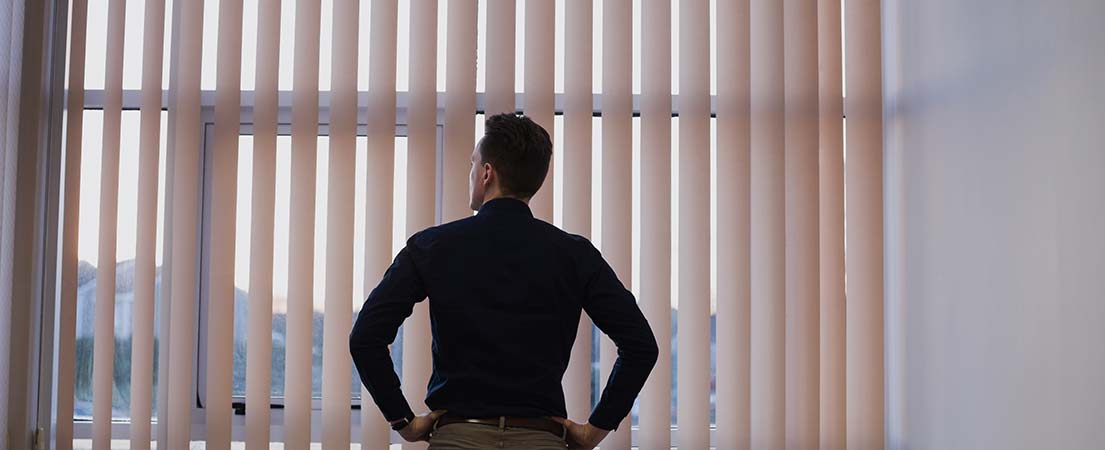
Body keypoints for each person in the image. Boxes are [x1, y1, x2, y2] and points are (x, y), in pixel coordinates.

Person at [350, 113, 659, 450]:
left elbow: (366, 337)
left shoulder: (432, 246)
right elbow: (641, 346)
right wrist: (594, 430)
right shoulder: (574, 254)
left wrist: (404, 422)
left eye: (473, 164)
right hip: (540, 440)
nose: (470, 173)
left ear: (487, 173)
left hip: (458, 438)